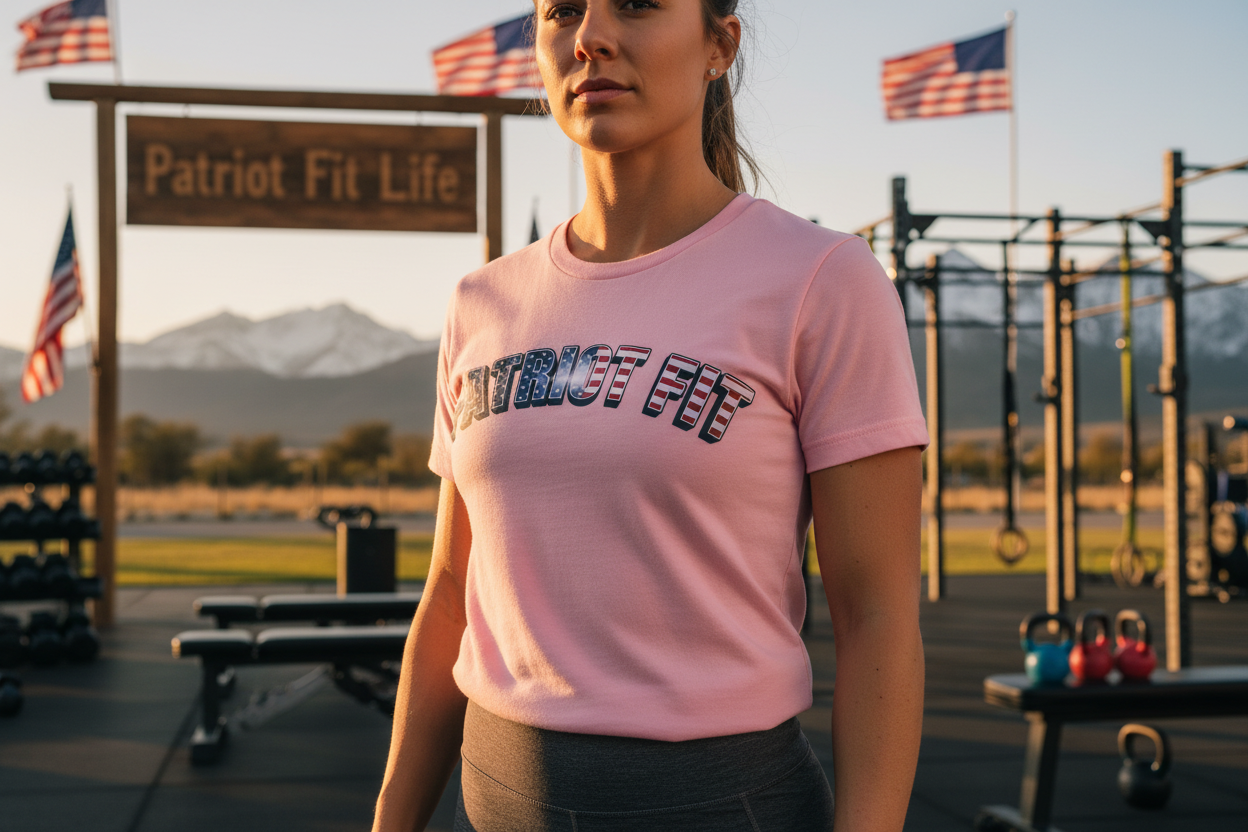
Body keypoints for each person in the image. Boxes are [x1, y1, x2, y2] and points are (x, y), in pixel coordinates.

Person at [373, 1, 927, 830]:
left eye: (635, 3)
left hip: (717, 805)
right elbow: (451, 591)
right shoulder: (481, 302)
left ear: (719, 45)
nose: (590, 34)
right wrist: (392, 819)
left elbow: (878, 617)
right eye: (562, 10)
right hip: (493, 801)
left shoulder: (822, 281)